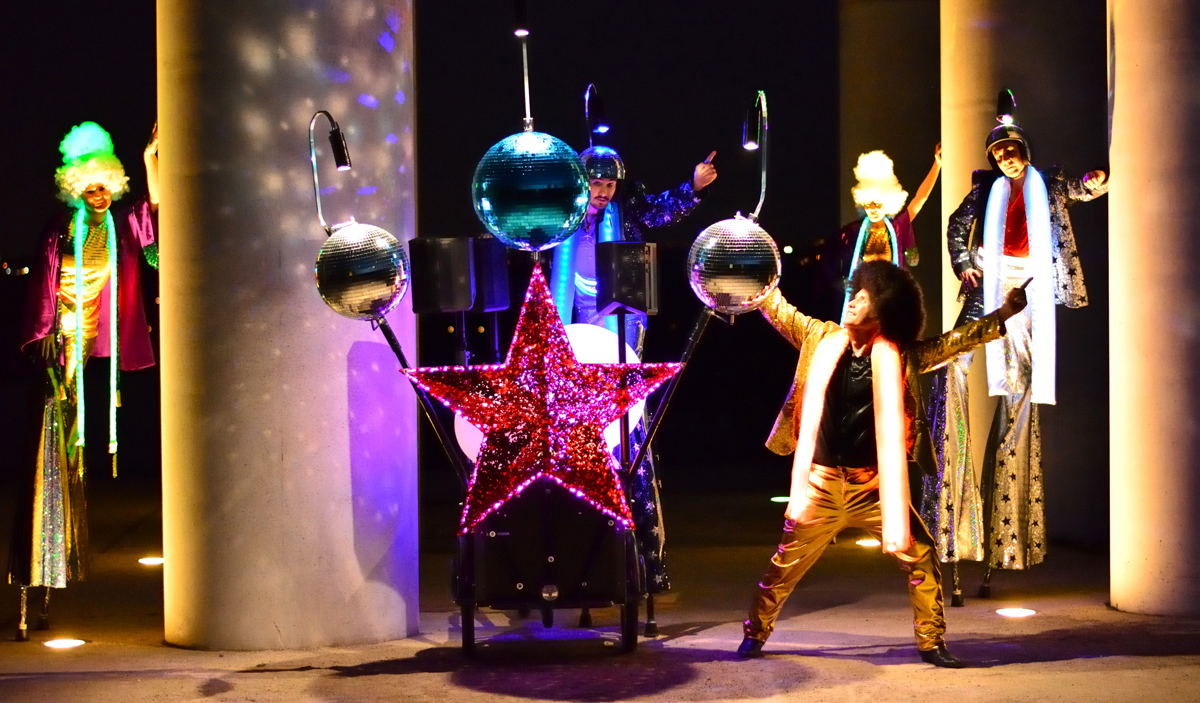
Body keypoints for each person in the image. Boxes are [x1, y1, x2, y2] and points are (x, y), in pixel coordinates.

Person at [737, 260, 1028, 667]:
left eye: (863, 297)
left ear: (885, 310)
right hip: (819, 486)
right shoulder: (820, 337)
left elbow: (954, 342)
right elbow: (782, 313)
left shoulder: (901, 356)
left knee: (921, 557)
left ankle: (931, 642)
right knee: (784, 567)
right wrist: (758, 285)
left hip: (874, 489)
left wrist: (1004, 313)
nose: (852, 302)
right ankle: (754, 634)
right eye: (853, 295)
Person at [922, 89, 1108, 598]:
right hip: (990, 284)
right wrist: (965, 263)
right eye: (998, 152)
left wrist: (1096, 181)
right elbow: (957, 225)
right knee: (951, 363)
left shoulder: (1048, 183)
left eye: (1011, 149)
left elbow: (1079, 189)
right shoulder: (985, 187)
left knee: (1020, 391)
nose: (1005, 157)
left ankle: (1005, 521)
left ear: (1024, 149)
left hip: (1029, 288)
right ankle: (951, 510)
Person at [548, 143, 716, 620]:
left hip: (618, 332)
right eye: (595, 184)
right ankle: (564, 560)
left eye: (608, 185)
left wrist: (693, 187)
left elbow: (662, 210)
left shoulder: (627, 214)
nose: (602, 192)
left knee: (628, 437)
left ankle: (644, 562)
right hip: (568, 333)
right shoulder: (558, 219)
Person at [9, 121, 159, 641]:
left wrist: (149, 159)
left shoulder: (121, 226)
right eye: (89, 188)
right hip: (58, 349)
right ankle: (35, 570)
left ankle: (50, 567)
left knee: (70, 454)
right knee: (48, 448)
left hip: (88, 350)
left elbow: (155, 217)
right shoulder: (61, 229)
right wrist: (44, 334)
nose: (98, 195)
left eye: (105, 186)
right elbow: (43, 286)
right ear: (76, 189)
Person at [820, 146, 941, 322]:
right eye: (868, 204)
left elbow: (921, 198)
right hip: (862, 298)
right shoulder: (854, 231)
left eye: (877, 203)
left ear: (888, 201)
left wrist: (937, 165)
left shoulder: (897, 226)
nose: (872, 209)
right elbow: (829, 256)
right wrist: (841, 281)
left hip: (889, 295)